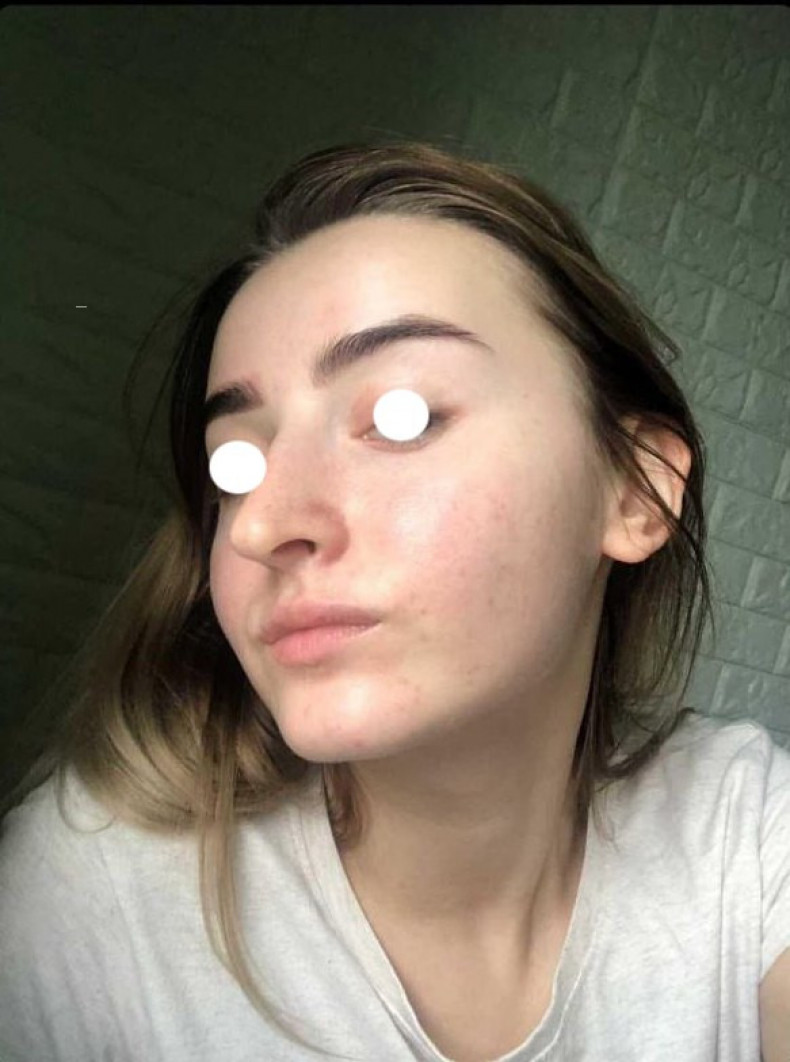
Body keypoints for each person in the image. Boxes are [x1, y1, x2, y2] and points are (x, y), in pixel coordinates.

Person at [1, 138, 787, 1062]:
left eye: (400, 416)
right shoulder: (86, 901)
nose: (261, 523)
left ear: (637, 490)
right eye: (234, 464)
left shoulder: (743, 834)